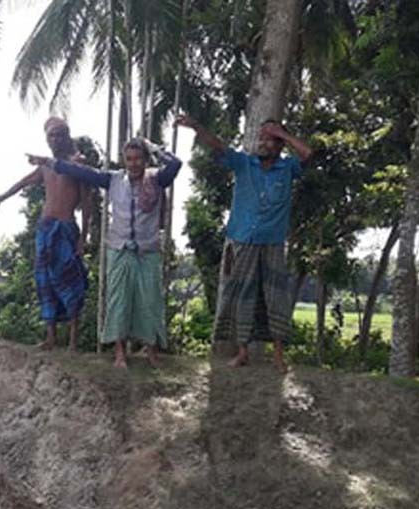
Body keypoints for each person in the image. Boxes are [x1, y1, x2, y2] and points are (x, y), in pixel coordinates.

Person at [27, 138, 182, 368]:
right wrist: (48, 162)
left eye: (139, 158)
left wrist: (152, 147)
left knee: (150, 301)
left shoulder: (157, 179)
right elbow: (80, 171)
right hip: (119, 248)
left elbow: (176, 164)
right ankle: (119, 353)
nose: (134, 164)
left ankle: (151, 351)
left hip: (147, 250)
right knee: (118, 300)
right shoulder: (114, 180)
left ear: (146, 159)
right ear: (124, 160)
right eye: (129, 159)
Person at [176, 115, 313, 372]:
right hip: (243, 240)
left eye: (268, 138)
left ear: (280, 144)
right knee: (243, 296)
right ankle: (242, 353)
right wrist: (197, 126)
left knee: (275, 298)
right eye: (261, 137)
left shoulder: (287, 168)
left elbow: (307, 154)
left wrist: (282, 133)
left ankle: (278, 357)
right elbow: (218, 147)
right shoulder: (244, 163)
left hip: (272, 242)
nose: (262, 142)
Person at [0, 117, 93, 351]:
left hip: (66, 228)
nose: (55, 139)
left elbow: (87, 204)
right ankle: (50, 337)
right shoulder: (46, 166)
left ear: (67, 136)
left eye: (59, 134)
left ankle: (73, 341)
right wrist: (2, 197)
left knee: (71, 281)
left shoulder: (78, 162)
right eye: (51, 135)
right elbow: (25, 181)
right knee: (45, 281)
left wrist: (83, 238)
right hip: (45, 228)